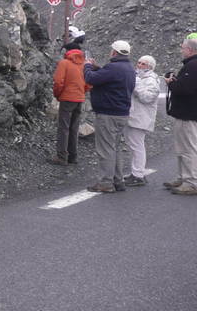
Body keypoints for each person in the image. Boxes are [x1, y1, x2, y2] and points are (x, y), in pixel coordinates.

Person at [84, 40, 136, 193]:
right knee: (116, 148)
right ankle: (117, 180)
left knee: (105, 149)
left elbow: (90, 78)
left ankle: (106, 182)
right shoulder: (129, 68)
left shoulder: (113, 67)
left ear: (114, 52)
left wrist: (87, 65)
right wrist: (97, 68)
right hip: (122, 114)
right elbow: (109, 78)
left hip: (108, 114)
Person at [163, 37, 197, 195]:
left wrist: (171, 83)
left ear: (190, 50)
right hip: (188, 113)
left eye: (183, 48)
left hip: (187, 114)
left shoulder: (192, 65)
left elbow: (185, 89)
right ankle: (183, 177)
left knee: (188, 149)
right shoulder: (191, 66)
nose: (181, 50)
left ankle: (190, 182)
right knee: (182, 148)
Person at [50, 47, 90, 165]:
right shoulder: (84, 64)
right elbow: (89, 82)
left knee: (64, 128)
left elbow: (58, 81)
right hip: (79, 99)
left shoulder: (64, 63)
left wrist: (57, 95)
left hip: (67, 99)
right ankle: (73, 156)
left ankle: (62, 157)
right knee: (74, 128)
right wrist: (82, 92)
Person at [123, 55, 160, 186]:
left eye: (143, 64)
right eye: (138, 62)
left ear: (150, 66)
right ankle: (136, 172)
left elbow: (148, 97)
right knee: (134, 145)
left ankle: (138, 175)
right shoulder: (140, 77)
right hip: (135, 116)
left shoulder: (150, 80)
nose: (139, 65)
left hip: (141, 117)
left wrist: (137, 84)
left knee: (137, 146)